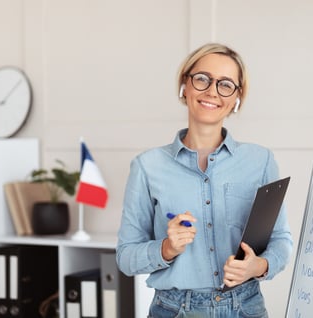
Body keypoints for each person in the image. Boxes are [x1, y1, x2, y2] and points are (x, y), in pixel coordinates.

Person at [116, 42, 293, 318]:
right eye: (202, 79)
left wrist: (257, 267)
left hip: (245, 307)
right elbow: (126, 257)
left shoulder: (261, 161)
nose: (212, 91)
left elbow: (281, 240)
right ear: (184, 86)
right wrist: (166, 248)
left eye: (225, 84)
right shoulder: (147, 166)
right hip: (173, 310)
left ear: (237, 97)